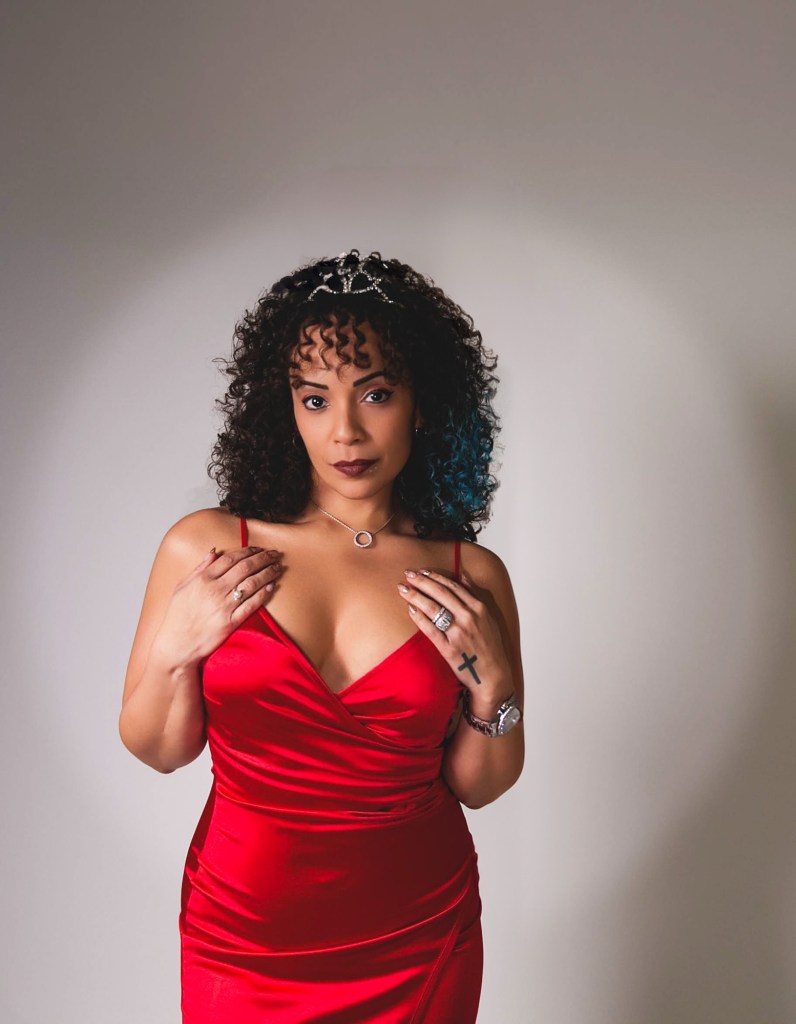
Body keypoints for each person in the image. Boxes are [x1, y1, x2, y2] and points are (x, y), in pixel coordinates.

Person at [119, 250, 525, 1023]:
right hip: (242, 939)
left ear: (421, 403)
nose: (346, 431)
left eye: (375, 393)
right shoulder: (208, 547)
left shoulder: (470, 574)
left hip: (420, 936)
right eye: (314, 399)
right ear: (287, 410)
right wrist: (175, 648)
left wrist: (495, 692)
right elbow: (159, 749)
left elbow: (479, 785)